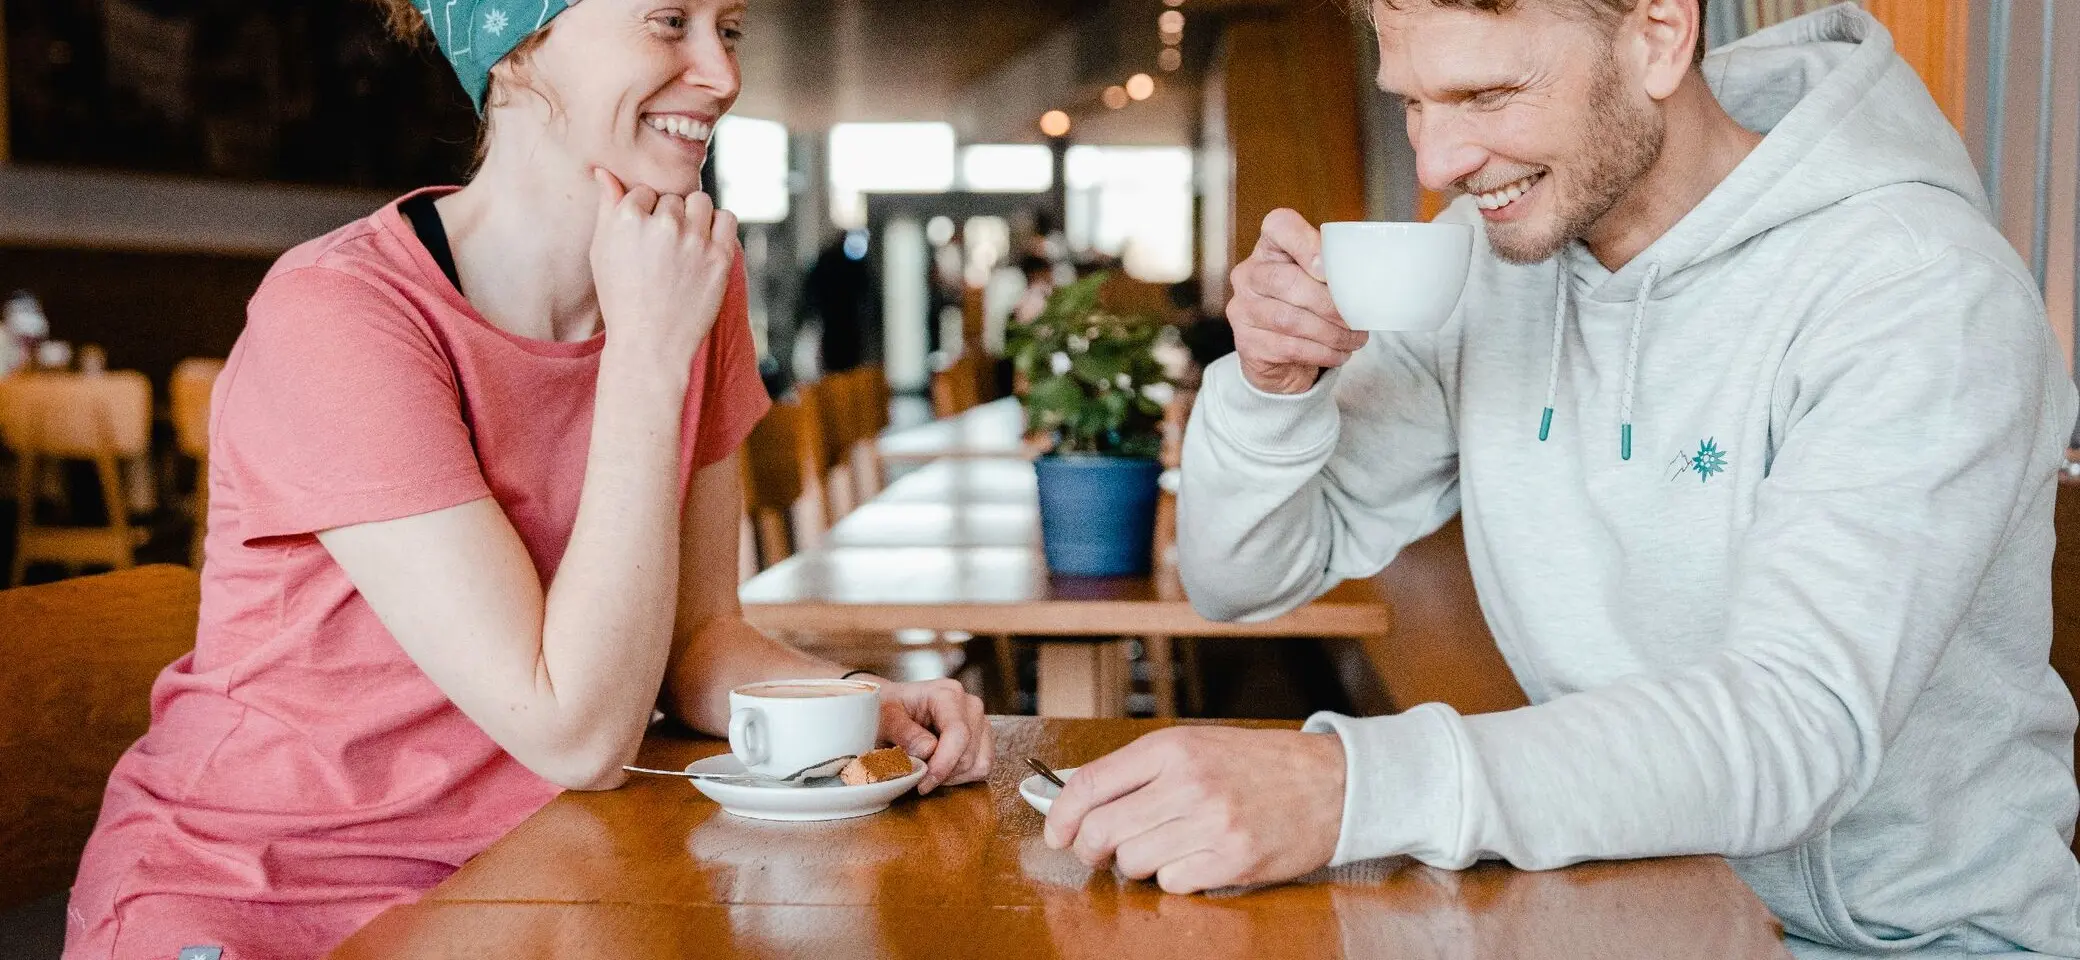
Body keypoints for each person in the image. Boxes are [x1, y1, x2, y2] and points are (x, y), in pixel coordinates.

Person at [1043, 1, 2080, 956]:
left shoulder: (1916, 288)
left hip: (1907, 943)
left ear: (1658, 35)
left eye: (1487, 95)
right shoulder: (1486, 265)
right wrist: (1271, 391)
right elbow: (1240, 580)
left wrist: (1347, 785)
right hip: (1632, 903)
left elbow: (1795, 728)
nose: (1440, 158)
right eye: (1411, 101)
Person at [63, 2, 991, 957]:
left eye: (732, 28)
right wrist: (646, 355)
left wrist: (851, 698)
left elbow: (696, 639)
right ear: (514, 49)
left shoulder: (688, 283)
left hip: (531, 879)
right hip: (271, 899)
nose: (721, 74)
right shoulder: (341, 312)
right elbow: (576, 736)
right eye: (670, 21)